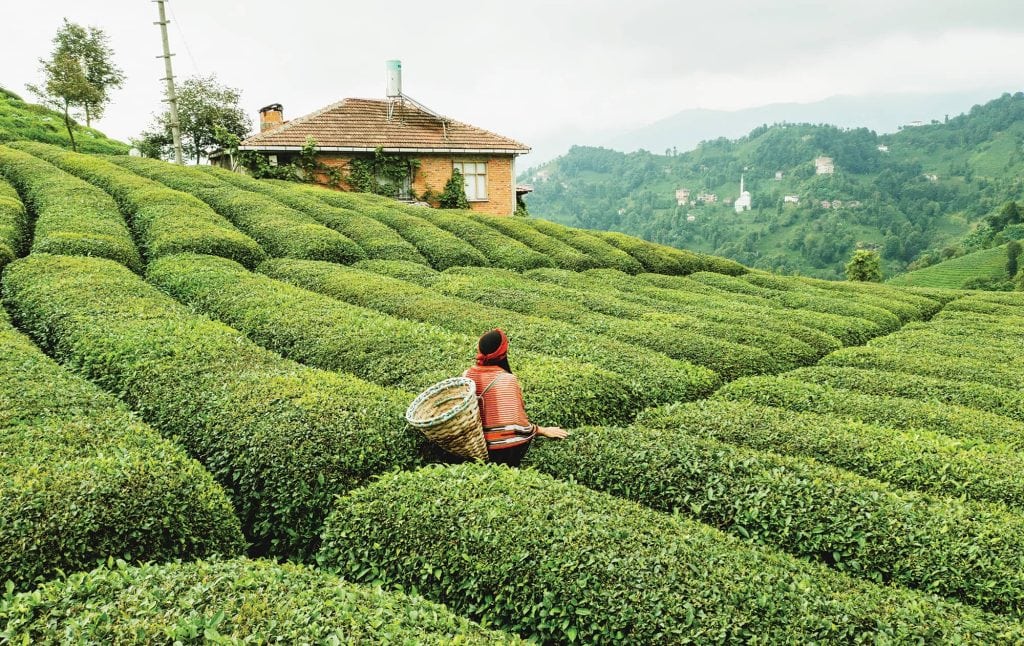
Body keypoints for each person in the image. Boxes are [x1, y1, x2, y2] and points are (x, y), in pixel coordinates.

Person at [463, 328, 568, 466]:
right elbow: (517, 426)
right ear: (503, 353)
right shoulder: (507, 379)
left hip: (473, 447)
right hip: (502, 452)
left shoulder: (466, 375)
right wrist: (543, 430)